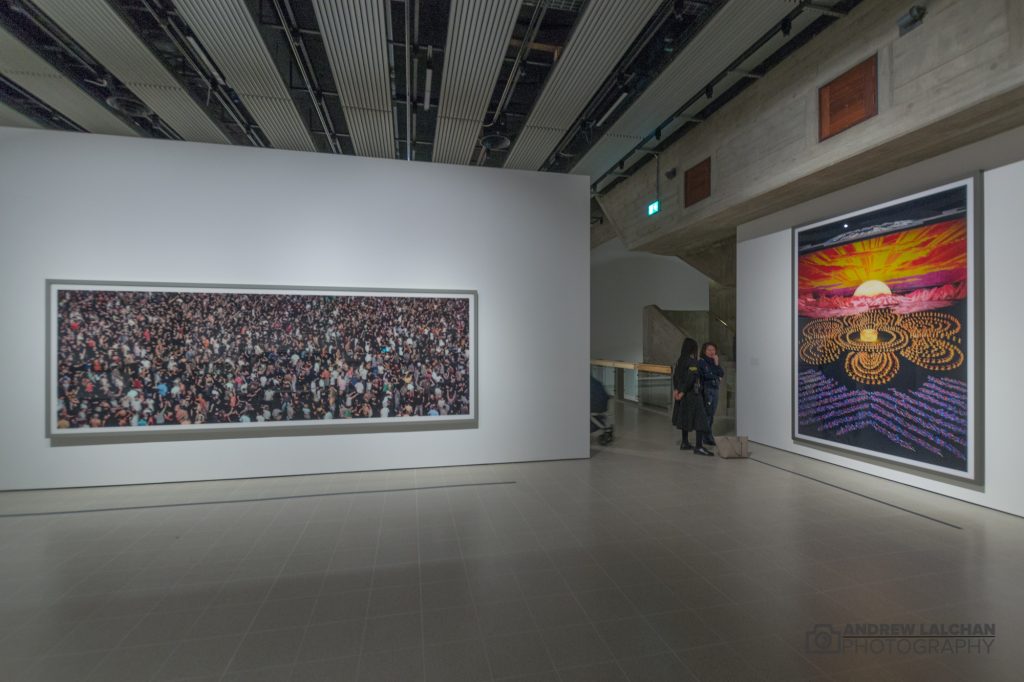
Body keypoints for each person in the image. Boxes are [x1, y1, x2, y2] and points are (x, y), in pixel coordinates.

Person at [672, 338, 712, 455]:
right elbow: (691, 379)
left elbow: (675, 376)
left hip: (681, 395)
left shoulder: (680, 361)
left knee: (685, 417)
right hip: (692, 395)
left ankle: (685, 442)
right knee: (700, 419)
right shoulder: (693, 362)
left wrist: (676, 390)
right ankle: (699, 446)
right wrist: (683, 392)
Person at [698, 342, 725, 446]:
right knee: (707, 415)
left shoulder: (714, 361)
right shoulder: (702, 362)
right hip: (707, 390)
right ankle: (707, 437)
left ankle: (707, 437)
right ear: (704, 351)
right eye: (709, 350)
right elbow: (707, 374)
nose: (711, 352)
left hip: (715, 389)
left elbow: (721, 373)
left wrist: (717, 363)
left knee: (711, 415)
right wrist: (716, 376)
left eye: (713, 349)